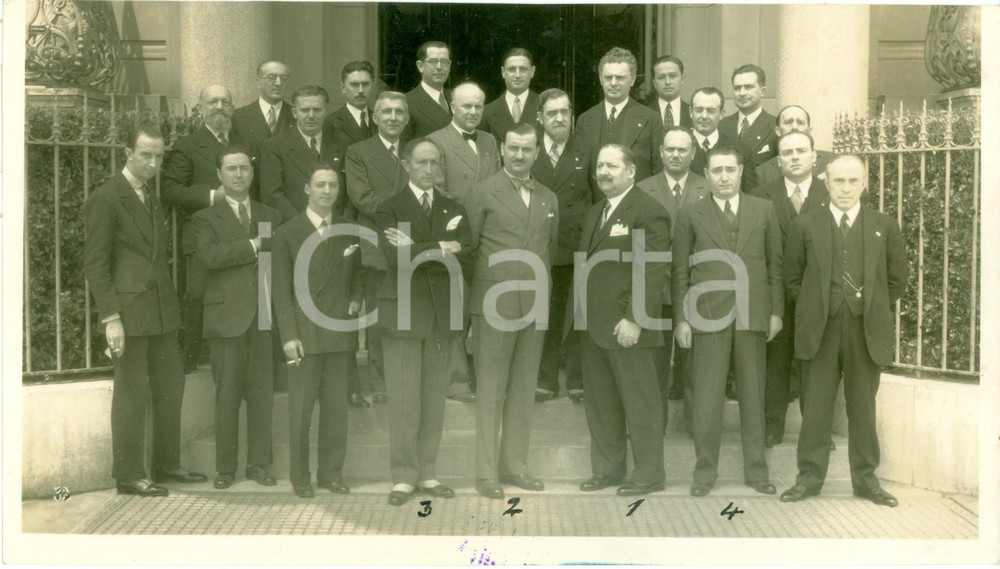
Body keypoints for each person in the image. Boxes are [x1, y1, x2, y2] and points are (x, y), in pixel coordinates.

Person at [83, 124, 207, 497]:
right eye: (146, 155)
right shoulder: (107, 197)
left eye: (159, 156)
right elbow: (95, 264)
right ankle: (128, 473)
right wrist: (111, 318)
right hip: (129, 313)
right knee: (131, 394)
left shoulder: (150, 197)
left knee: (171, 385)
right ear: (128, 153)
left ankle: (167, 463)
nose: (153, 164)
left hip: (161, 311)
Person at [780, 155, 908, 507]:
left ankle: (866, 481)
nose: (846, 188)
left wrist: (867, 306)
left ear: (865, 183)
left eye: (854, 181)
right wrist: (819, 306)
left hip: (864, 331)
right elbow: (793, 279)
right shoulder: (806, 225)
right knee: (816, 409)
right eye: (839, 181)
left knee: (863, 408)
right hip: (820, 330)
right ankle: (809, 479)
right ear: (826, 182)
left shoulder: (884, 225)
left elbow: (896, 280)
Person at [672, 145, 782, 497]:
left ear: (740, 171)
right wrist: (682, 319)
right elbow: (679, 270)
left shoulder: (763, 209)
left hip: (752, 313)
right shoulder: (690, 213)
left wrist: (776, 312)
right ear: (706, 174)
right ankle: (704, 472)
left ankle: (757, 470)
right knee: (707, 397)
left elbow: (775, 265)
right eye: (717, 170)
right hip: (707, 314)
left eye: (730, 170)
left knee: (753, 395)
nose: (724, 177)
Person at [375, 138, 473, 506]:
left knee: (433, 399)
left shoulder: (453, 207)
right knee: (404, 399)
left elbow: (467, 252)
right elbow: (395, 256)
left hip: (440, 314)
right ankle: (403, 476)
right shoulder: (390, 207)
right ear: (406, 164)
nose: (429, 169)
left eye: (435, 162)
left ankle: (428, 472)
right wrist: (442, 246)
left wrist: (417, 246)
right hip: (403, 311)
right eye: (422, 163)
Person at [465, 123, 558, 499]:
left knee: (523, 389)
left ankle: (515, 465)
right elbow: (469, 250)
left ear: (537, 152)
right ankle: (486, 472)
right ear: (502, 149)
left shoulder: (548, 197)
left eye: (527, 149)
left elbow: (548, 250)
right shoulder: (482, 192)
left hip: (533, 305)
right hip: (493, 304)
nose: (520, 155)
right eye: (514, 148)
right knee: (491, 389)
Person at [261, 84, 366, 407]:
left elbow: (345, 195)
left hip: (336, 237)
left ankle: (347, 386)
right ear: (294, 112)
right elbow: (272, 194)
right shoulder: (276, 146)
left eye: (317, 109)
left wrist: (333, 226)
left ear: (326, 111)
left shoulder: (341, 146)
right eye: (304, 109)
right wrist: (308, 225)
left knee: (338, 313)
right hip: (297, 237)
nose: (310, 115)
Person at [575, 144, 670, 497]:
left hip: (629, 327)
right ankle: (607, 470)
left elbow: (652, 269)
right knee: (602, 404)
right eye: (600, 165)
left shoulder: (648, 211)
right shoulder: (596, 212)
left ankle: (649, 474)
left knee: (640, 404)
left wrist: (634, 318)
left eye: (612, 166)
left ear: (631, 171)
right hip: (594, 326)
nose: (604, 172)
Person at [191, 146, 283, 489]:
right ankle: (226, 469)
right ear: (219, 174)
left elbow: (278, 262)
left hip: (262, 315)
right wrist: (253, 245)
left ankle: (259, 464)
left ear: (252, 173)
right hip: (226, 317)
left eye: (244, 167)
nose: (239, 174)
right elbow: (210, 257)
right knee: (227, 396)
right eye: (231, 168)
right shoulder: (205, 218)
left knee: (262, 395)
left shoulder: (270, 215)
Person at [271, 163, 363, 498]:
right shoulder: (287, 233)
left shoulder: (348, 231)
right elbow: (281, 291)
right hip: (304, 335)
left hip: (338, 333)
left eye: (333, 185)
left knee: (336, 411)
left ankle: (331, 474)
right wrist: (288, 336)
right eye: (320, 184)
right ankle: (300, 477)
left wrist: (355, 299)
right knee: (300, 411)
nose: (327, 191)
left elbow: (358, 274)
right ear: (307, 189)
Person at [749, 131, 829, 448]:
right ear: (778, 160)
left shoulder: (830, 192)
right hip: (777, 294)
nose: (794, 157)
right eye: (787, 152)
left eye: (801, 150)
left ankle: (817, 430)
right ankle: (772, 427)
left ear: (814, 156)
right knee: (776, 362)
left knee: (817, 364)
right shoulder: (760, 195)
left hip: (819, 295)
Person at [636, 127, 711, 429]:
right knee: (654, 361)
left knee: (694, 362)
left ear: (693, 153)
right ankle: (654, 424)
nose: (676, 155)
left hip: (697, 287)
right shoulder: (643, 189)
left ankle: (695, 424)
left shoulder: (708, 187)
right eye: (670, 149)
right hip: (657, 288)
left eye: (682, 149)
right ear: (661, 152)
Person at [161, 84, 239, 374]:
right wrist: (211, 196)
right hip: (202, 234)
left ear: (232, 107)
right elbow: (170, 190)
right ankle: (189, 356)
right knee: (196, 295)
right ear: (200, 109)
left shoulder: (244, 143)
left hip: (240, 233)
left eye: (225, 101)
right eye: (212, 101)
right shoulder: (189, 145)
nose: (219, 107)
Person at [345, 91, 411, 404]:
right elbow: (362, 198)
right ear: (375, 117)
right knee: (379, 319)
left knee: (411, 316)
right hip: (377, 243)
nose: (393, 117)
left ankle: (406, 380)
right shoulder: (359, 152)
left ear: (407, 118)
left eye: (399, 112)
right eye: (386, 112)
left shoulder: (416, 150)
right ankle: (381, 382)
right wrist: (408, 215)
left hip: (414, 243)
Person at [531, 88, 595, 403]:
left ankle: (578, 379)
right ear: (540, 117)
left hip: (578, 246)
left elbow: (598, 199)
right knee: (545, 314)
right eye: (552, 113)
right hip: (540, 246)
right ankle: (545, 379)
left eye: (564, 112)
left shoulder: (587, 148)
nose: (559, 118)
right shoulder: (528, 149)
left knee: (578, 315)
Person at [576, 48, 662, 181]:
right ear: (600, 79)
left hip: (636, 193)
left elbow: (659, 171)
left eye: (620, 78)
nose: (613, 83)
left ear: (632, 80)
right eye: (608, 77)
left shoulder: (651, 119)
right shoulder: (585, 120)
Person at [231, 60, 296, 201]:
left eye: (283, 78)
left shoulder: (297, 116)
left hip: (288, 199)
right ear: (258, 83)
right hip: (251, 197)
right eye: (271, 77)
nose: (278, 83)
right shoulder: (238, 117)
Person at [427, 82, 501, 204]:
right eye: (467, 106)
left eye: (478, 107)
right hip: (456, 214)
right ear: (453, 107)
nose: (473, 112)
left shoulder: (489, 139)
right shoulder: (434, 142)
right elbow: (437, 192)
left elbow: (498, 184)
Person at [719, 64, 778, 192]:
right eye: (737, 88)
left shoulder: (775, 126)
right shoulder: (721, 125)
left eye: (748, 87)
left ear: (763, 91)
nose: (742, 93)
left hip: (762, 196)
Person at [754, 105, 836, 187]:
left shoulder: (832, 161)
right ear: (778, 131)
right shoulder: (763, 172)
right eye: (788, 122)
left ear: (809, 131)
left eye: (800, 122)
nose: (794, 127)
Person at [482, 47, 540, 144]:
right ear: (503, 72)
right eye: (512, 69)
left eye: (523, 69)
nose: (517, 75)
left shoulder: (545, 106)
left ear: (532, 71)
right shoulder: (487, 112)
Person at [324, 60, 378, 158]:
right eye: (354, 85)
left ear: (373, 87)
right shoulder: (330, 123)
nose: (360, 90)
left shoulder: (380, 120)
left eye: (365, 84)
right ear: (343, 88)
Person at [405, 41, 453, 139]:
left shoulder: (457, 98)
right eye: (433, 61)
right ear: (420, 66)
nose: (439, 67)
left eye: (444, 62)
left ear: (449, 66)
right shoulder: (407, 102)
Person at [688, 87, 735, 178]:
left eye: (711, 111)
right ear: (691, 112)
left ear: (721, 114)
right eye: (699, 110)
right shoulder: (677, 146)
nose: (704, 116)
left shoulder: (738, 148)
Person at [645, 55, 693, 130]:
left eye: (673, 76)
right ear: (654, 83)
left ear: (682, 79)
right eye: (661, 77)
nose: (667, 82)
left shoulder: (692, 113)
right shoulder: (645, 113)